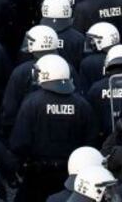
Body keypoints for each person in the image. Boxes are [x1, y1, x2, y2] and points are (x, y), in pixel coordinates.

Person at [9, 54, 95, 202]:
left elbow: (20, 142)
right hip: (71, 177)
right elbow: (91, 140)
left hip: (37, 176)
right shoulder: (82, 105)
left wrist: (17, 166)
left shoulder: (32, 103)